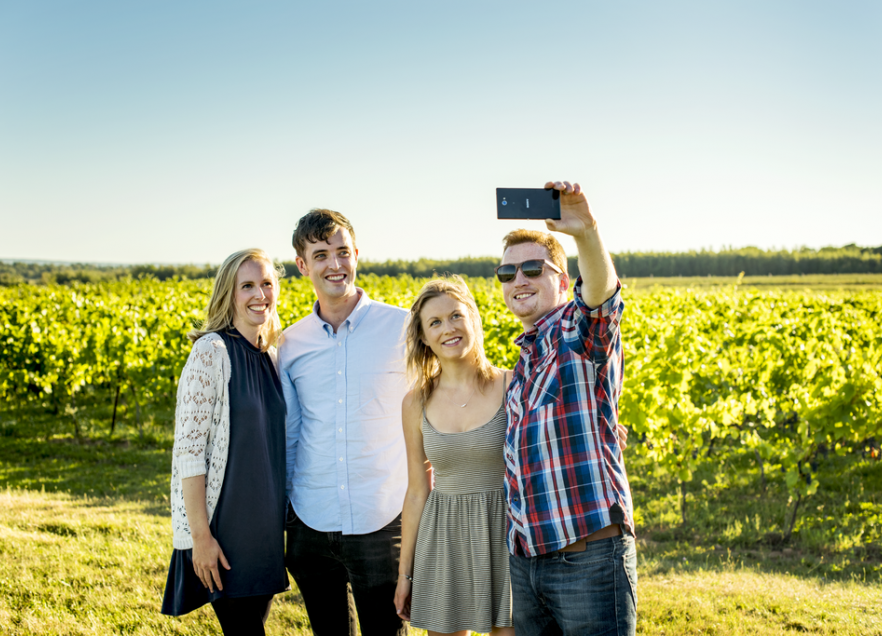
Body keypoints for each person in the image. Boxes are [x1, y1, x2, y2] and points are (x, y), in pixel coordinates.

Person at [500, 181, 637, 635]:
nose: (518, 280)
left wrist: (585, 231)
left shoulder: (578, 335)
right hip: (528, 562)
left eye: (532, 269)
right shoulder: (524, 359)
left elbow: (601, 298)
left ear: (562, 279)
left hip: (588, 558)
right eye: (507, 274)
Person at [279, 209, 408, 636]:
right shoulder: (291, 342)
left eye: (342, 252)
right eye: (320, 255)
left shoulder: (402, 327)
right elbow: (292, 432)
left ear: (357, 254)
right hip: (310, 520)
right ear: (303, 265)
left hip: (382, 515)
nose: (334, 264)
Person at [161, 248, 289, 636]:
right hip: (227, 529)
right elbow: (189, 453)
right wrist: (201, 538)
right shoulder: (211, 352)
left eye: (266, 284)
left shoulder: (273, 355)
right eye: (246, 285)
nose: (259, 294)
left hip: (266, 528)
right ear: (228, 294)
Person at [394, 276, 515, 636]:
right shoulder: (415, 402)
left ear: (473, 320)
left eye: (455, 316)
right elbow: (417, 491)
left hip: (505, 533)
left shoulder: (512, 384)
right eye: (435, 322)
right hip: (443, 537)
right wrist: (405, 575)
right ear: (424, 338)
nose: (448, 329)